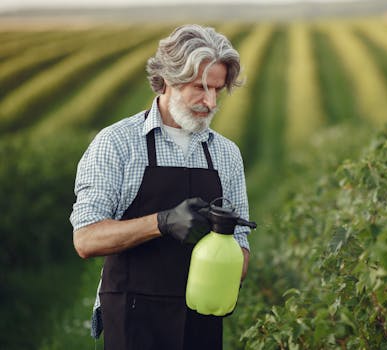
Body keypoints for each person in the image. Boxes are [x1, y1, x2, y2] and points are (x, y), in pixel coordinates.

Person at [70, 24, 252, 350]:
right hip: (133, 317)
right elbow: (86, 239)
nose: (209, 102)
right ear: (168, 78)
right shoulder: (118, 143)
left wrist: (224, 242)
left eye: (217, 89)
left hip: (202, 317)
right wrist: (162, 222)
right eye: (199, 87)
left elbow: (241, 255)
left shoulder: (226, 154)